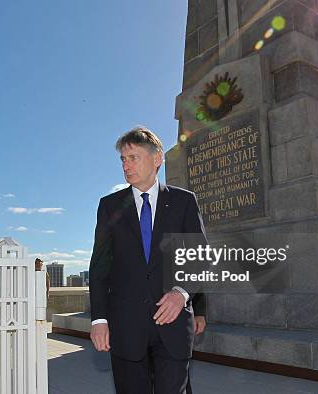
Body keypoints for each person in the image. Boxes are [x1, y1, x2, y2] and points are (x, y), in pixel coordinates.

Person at [89, 126, 207, 394]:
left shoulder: (184, 202)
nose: (126, 166)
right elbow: (99, 269)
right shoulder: (109, 206)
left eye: (133, 158)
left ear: (157, 159)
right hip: (126, 329)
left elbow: (200, 258)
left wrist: (182, 293)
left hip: (173, 327)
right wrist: (99, 320)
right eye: (123, 159)